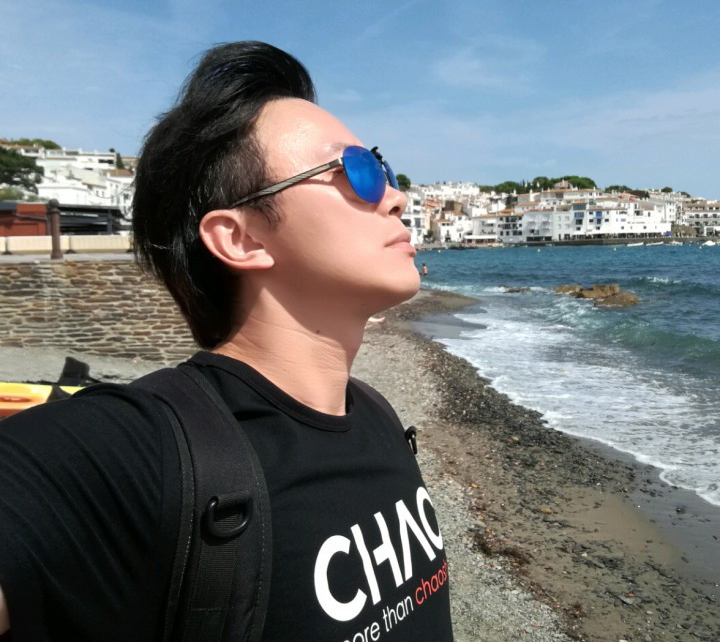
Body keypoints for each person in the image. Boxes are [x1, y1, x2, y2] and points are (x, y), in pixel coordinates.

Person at [0, 41, 453, 641]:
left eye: (382, 167)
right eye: (355, 171)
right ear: (241, 239)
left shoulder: (374, 413)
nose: (395, 196)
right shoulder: (142, 450)